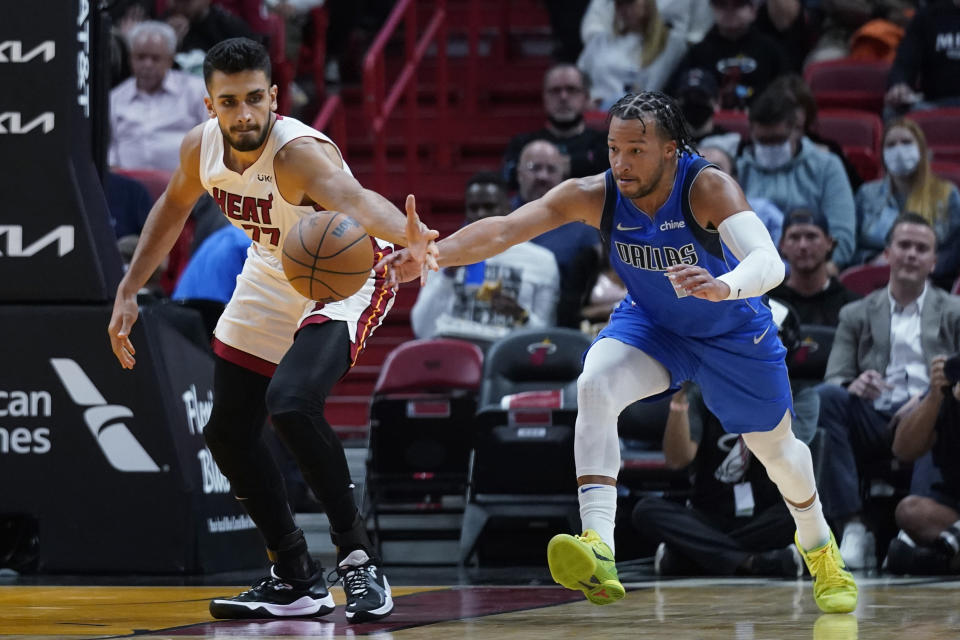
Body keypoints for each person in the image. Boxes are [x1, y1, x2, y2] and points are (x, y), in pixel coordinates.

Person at [381, 90, 857, 613]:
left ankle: (819, 548)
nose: (621, 163)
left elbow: (770, 262)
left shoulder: (708, 186)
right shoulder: (597, 194)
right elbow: (508, 228)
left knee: (778, 455)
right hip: (654, 323)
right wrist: (435, 254)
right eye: (613, 149)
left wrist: (723, 287)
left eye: (636, 150)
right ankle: (599, 547)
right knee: (595, 383)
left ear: (672, 149)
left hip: (731, 331)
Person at [107, 37, 437, 622]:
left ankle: (359, 559)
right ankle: (295, 576)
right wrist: (130, 287)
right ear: (209, 105)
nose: (244, 114)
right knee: (228, 432)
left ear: (274, 97)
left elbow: (355, 199)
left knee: (290, 402)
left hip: (352, 268)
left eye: (255, 99)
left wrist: (411, 237)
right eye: (230, 102)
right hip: (274, 265)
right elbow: (171, 209)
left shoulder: (298, 154)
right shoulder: (199, 149)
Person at [814, 213, 960, 569]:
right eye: (904, 246)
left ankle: (916, 528)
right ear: (888, 253)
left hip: (930, 414)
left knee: (936, 407)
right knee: (826, 398)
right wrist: (854, 384)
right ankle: (853, 526)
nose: (911, 254)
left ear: (933, 261)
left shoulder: (955, 312)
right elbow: (835, 376)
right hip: (874, 415)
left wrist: (927, 396)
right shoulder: (856, 313)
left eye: (921, 248)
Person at [634, 383, 803, 578]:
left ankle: (692, 557)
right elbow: (677, 460)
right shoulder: (701, 393)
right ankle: (752, 561)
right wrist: (678, 401)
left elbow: (788, 459)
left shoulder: (788, 390)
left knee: (805, 507)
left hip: (762, 516)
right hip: (708, 516)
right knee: (646, 510)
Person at [410, 172, 560, 347]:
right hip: (456, 353)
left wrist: (519, 313)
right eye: (474, 208)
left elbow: (546, 336)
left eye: (489, 207)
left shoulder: (542, 261)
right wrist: (447, 276)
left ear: (508, 209)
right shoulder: (443, 254)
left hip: (511, 357)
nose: (480, 214)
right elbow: (422, 328)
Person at [736, 87, 856, 269]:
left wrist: (822, 269)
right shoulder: (739, 170)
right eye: (763, 140)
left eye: (778, 140)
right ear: (751, 132)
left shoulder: (826, 166)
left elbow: (842, 235)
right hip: (752, 273)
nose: (770, 147)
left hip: (811, 272)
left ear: (796, 130)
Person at [853, 118, 960, 286]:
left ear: (921, 150)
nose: (899, 150)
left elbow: (954, 250)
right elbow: (854, 246)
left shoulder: (947, 194)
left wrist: (922, 266)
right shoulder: (866, 194)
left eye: (906, 142)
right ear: (882, 154)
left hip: (932, 282)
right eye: (891, 145)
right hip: (875, 282)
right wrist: (872, 261)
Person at [886, 353, 960, 574]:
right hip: (954, 507)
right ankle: (949, 551)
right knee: (910, 511)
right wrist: (935, 395)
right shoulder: (948, 388)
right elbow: (902, 450)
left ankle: (943, 558)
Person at [109, 20, 210, 170]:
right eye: (141, 57)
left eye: (155, 58)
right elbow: (109, 153)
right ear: (131, 59)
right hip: (129, 187)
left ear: (170, 60)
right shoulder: (115, 98)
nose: (147, 65)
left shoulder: (196, 91)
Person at [513, 139, 602, 293]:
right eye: (534, 168)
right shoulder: (497, 214)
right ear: (519, 174)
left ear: (564, 176)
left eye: (551, 169)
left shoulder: (584, 226)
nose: (542, 176)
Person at [501, 64, 609, 189]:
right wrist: (581, 164)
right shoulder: (522, 143)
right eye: (555, 91)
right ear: (544, 98)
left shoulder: (606, 142)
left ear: (586, 97)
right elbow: (508, 176)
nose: (563, 97)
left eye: (571, 89)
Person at [669, 0, 790, 109]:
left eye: (738, 5)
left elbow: (787, 91)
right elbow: (674, 93)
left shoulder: (770, 50)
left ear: (753, 10)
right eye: (722, 5)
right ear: (712, 8)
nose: (730, 11)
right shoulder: (698, 52)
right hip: (708, 125)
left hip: (763, 121)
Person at [576, 0, 688, 109]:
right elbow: (579, 76)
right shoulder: (601, 40)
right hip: (594, 112)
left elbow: (654, 89)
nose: (623, 9)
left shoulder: (669, 43)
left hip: (636, 116)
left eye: (630, 2)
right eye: (619, 4)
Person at [770, 208, 861, 328]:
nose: (803, 245)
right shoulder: (768, 304)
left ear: (829, 243)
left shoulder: (852, 307)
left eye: (811, 236)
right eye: (794, 237)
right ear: (782, 245)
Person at [884, 0, 960, 116]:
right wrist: (899, 84)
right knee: (892, 111)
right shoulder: (927, 16)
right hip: (934, 104)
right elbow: (905, 61)